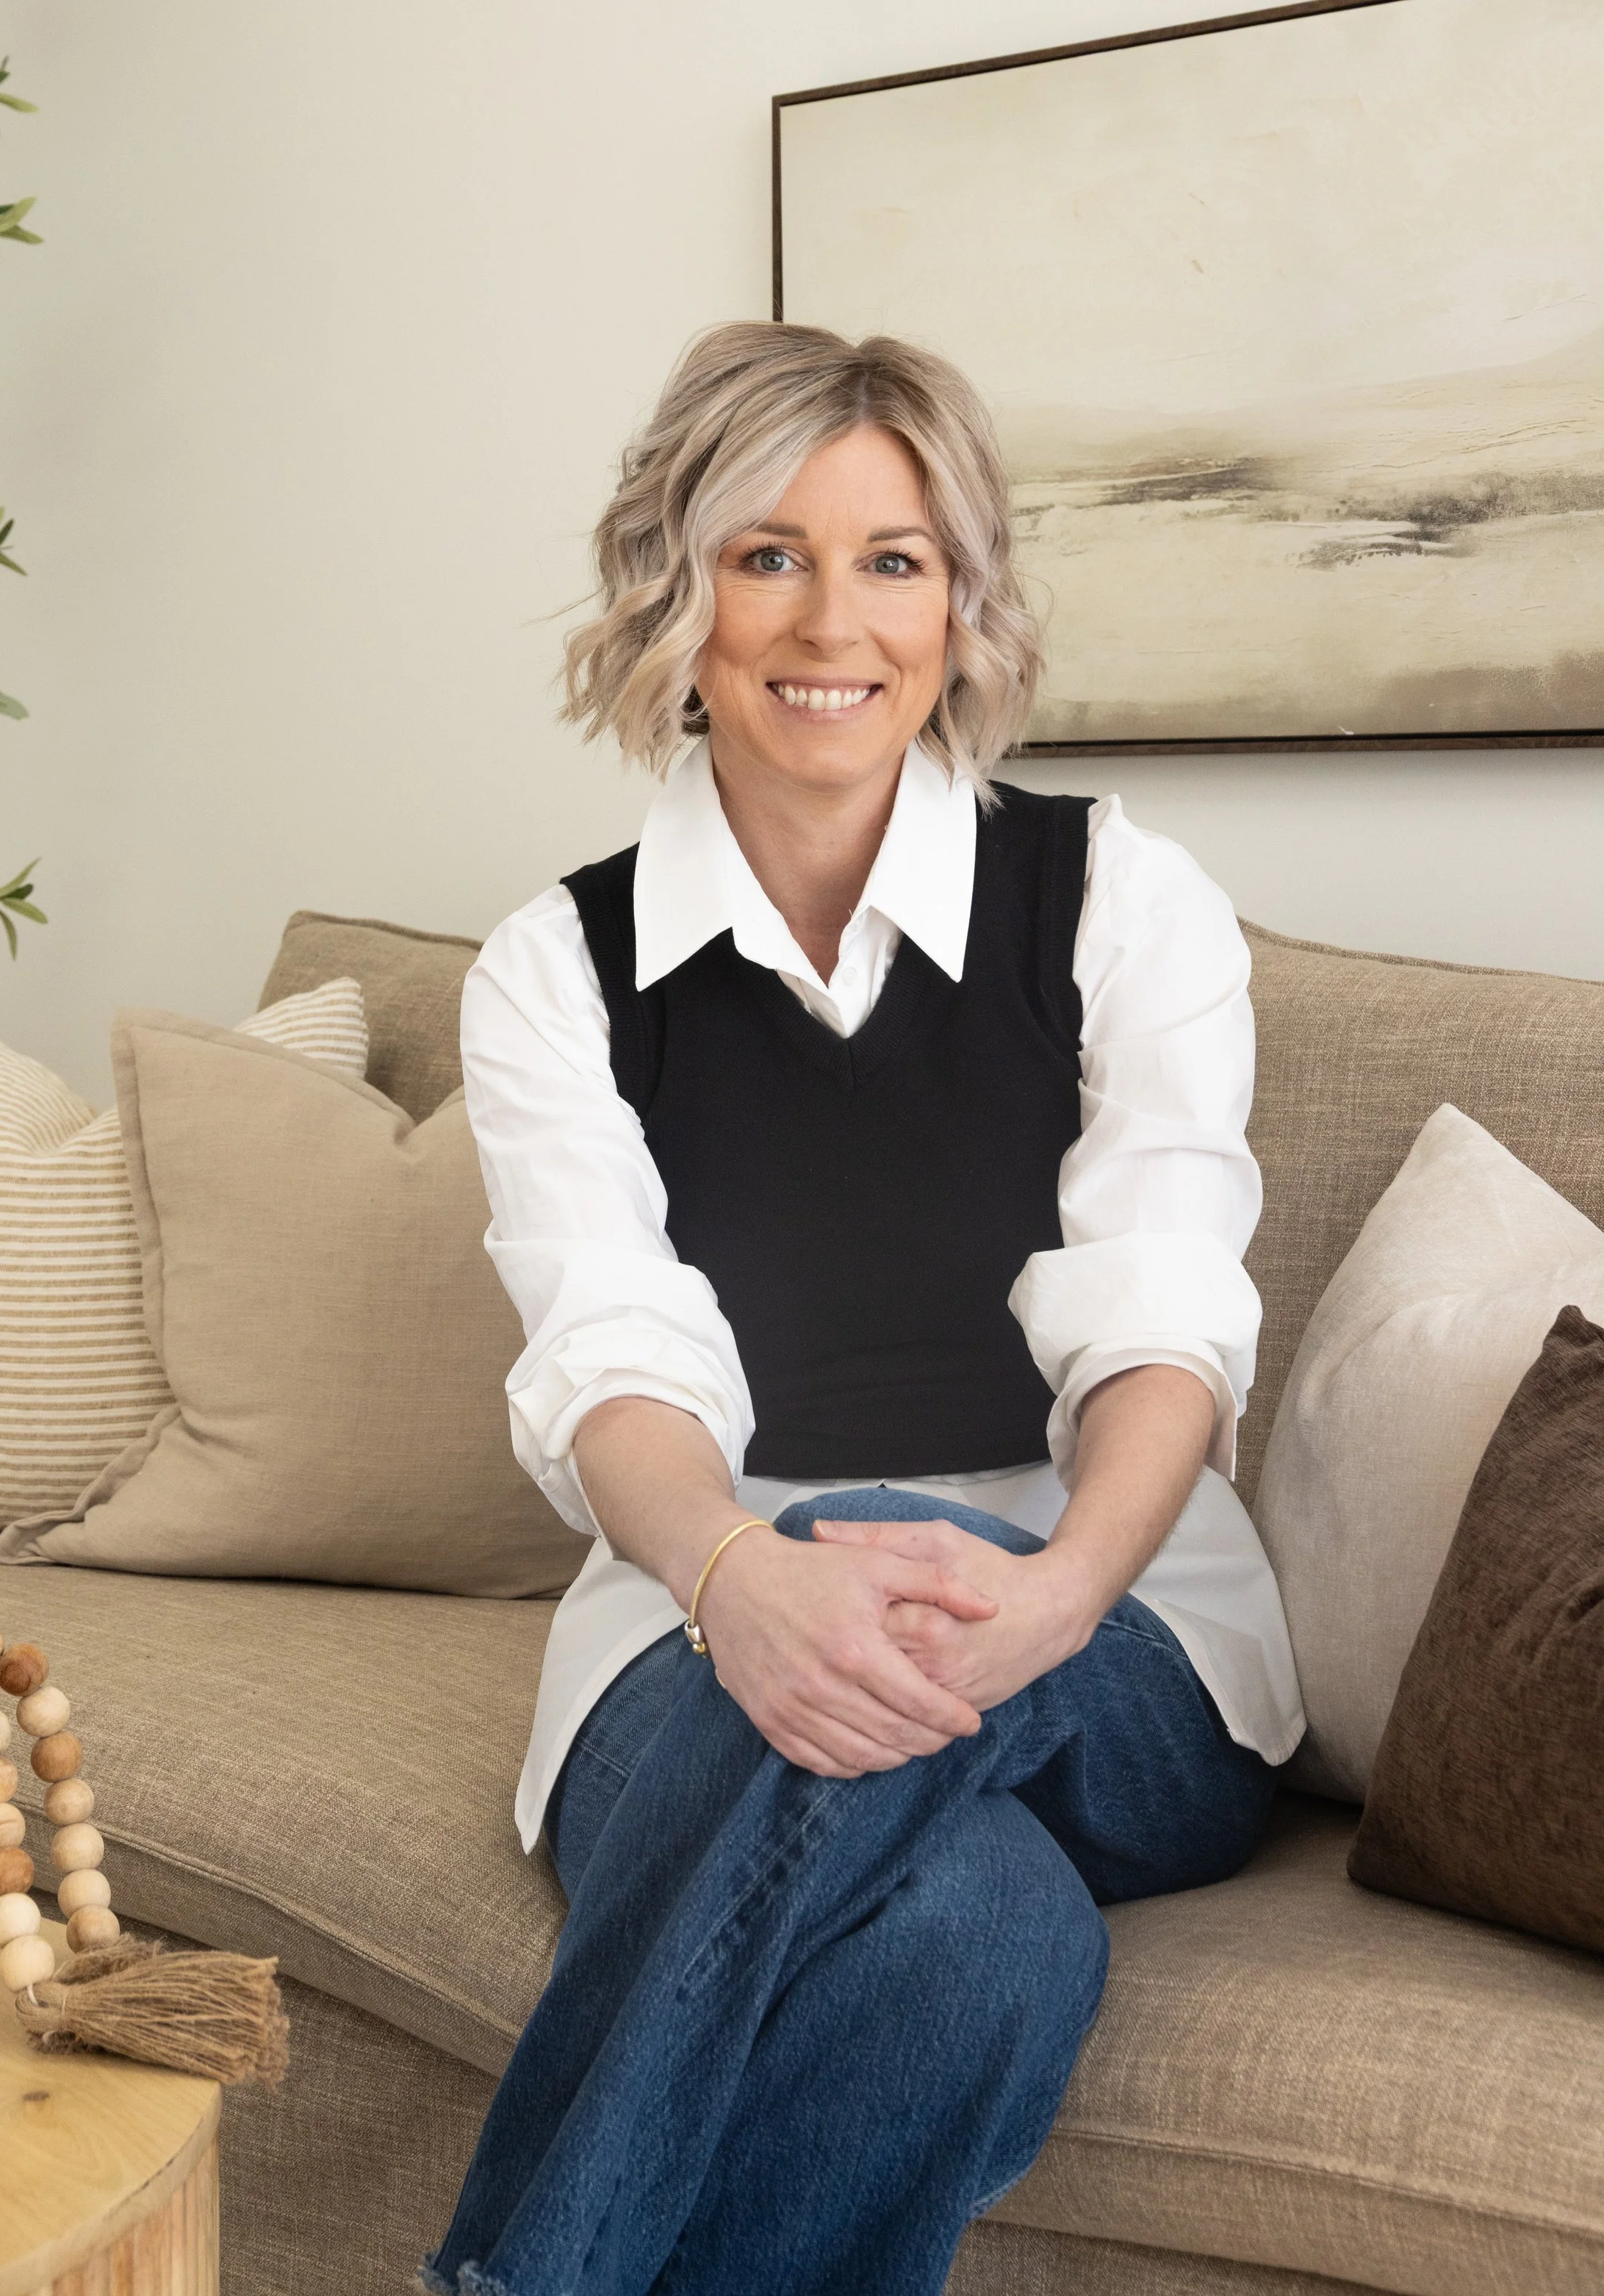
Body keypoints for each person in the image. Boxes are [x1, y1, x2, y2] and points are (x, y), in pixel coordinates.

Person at [424, 323, 1303, 2296]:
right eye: (767, 553)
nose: (832, 619)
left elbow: (1163, 1312)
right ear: (677, 586)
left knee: (870, 1575)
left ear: (959, 598)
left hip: (1123, 1641)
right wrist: (741, 1573)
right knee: (979, 1946)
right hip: (692, 1616)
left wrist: (1062, 1585)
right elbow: (612, 1359)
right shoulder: (553, 970)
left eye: (892, 557)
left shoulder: (1117, 900)